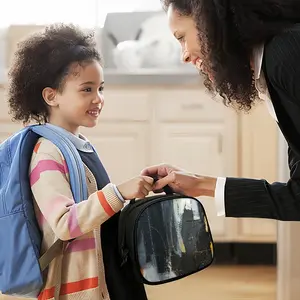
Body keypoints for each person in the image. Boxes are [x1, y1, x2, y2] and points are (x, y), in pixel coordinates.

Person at [7, 24, 153, 300]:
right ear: (51, 96)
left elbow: (96, 209)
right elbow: (64, 223)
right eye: (86, 89)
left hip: (105, 273)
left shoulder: (78, 145)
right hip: (78, 287)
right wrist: (120, 192)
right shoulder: (47, 154)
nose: (98, 99)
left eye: (100, 88)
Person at [142, 0, 300, 221]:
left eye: (182, 37)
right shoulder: (274, 61)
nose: (184, 56)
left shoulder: (286, 55)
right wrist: (199, 184)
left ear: (211, 23)